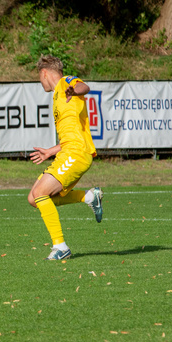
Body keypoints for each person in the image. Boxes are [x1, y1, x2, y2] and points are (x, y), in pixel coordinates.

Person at [28, 55, 104, 261]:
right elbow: (71, 135)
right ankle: (89, 197)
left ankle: (60, 247)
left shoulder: (66, 82)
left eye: (39, 77)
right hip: (68, 151)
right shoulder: (56, 96)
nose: (40, 82)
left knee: (42, 192)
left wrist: (74, 90)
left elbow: (84, 87)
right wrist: (50, 151)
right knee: (34, 198)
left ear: (44, 73)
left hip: (77, 153)